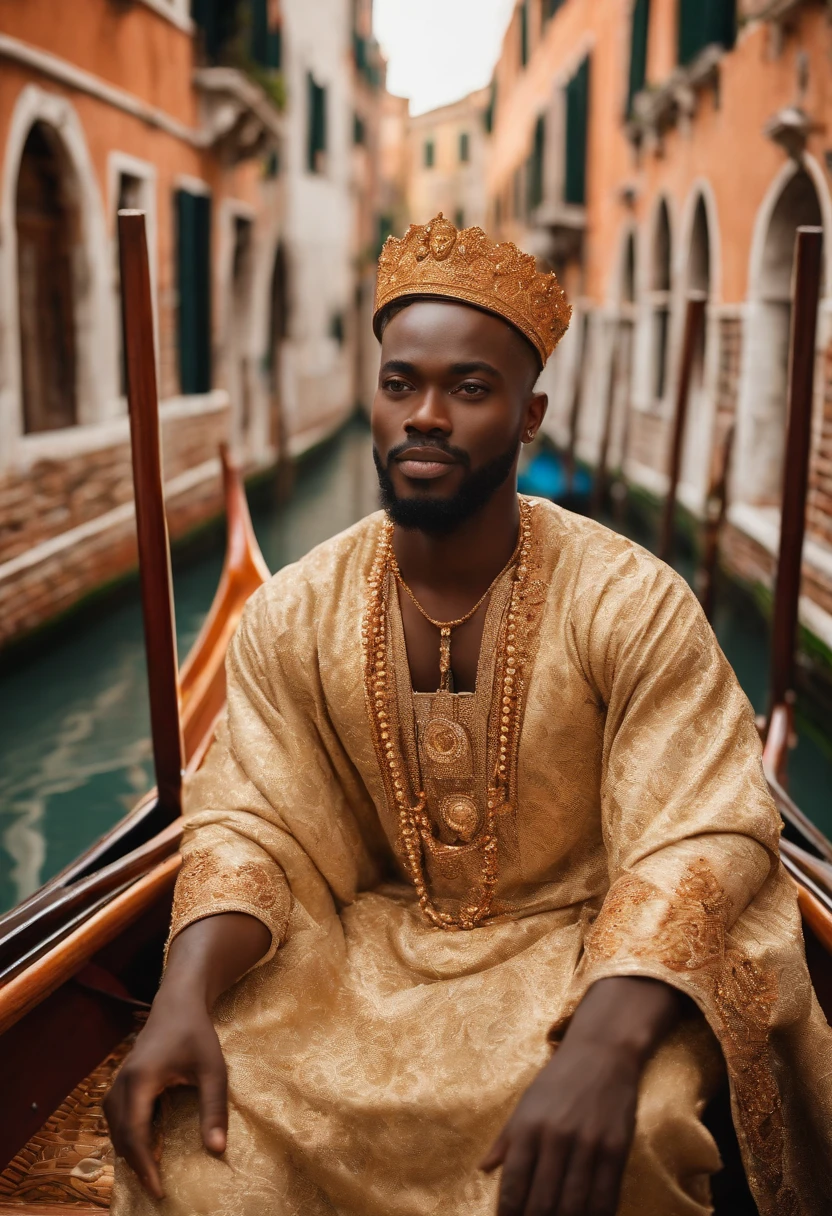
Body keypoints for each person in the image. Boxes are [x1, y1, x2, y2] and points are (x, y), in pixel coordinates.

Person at [107, 215, 832, 1216]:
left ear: (529, 417)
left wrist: (604, 1048)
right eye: (401, 384)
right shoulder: (292, 611)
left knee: (629, 1136)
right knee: (194, 1142)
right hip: (360, 967)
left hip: (592, 961)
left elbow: (697, 834)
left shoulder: (632, 601)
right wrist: (178, 1000)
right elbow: (254, 825)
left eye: (470, 389)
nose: (426, 416)